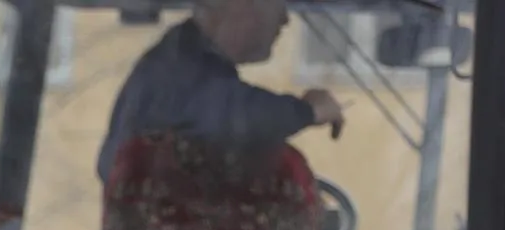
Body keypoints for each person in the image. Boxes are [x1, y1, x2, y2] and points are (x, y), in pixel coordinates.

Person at [96, 0, 345, 183]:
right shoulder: (179, 68)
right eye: (276, 4)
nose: (285, 19)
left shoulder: (181, 59)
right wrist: (308, 111)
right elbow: (229, 114)